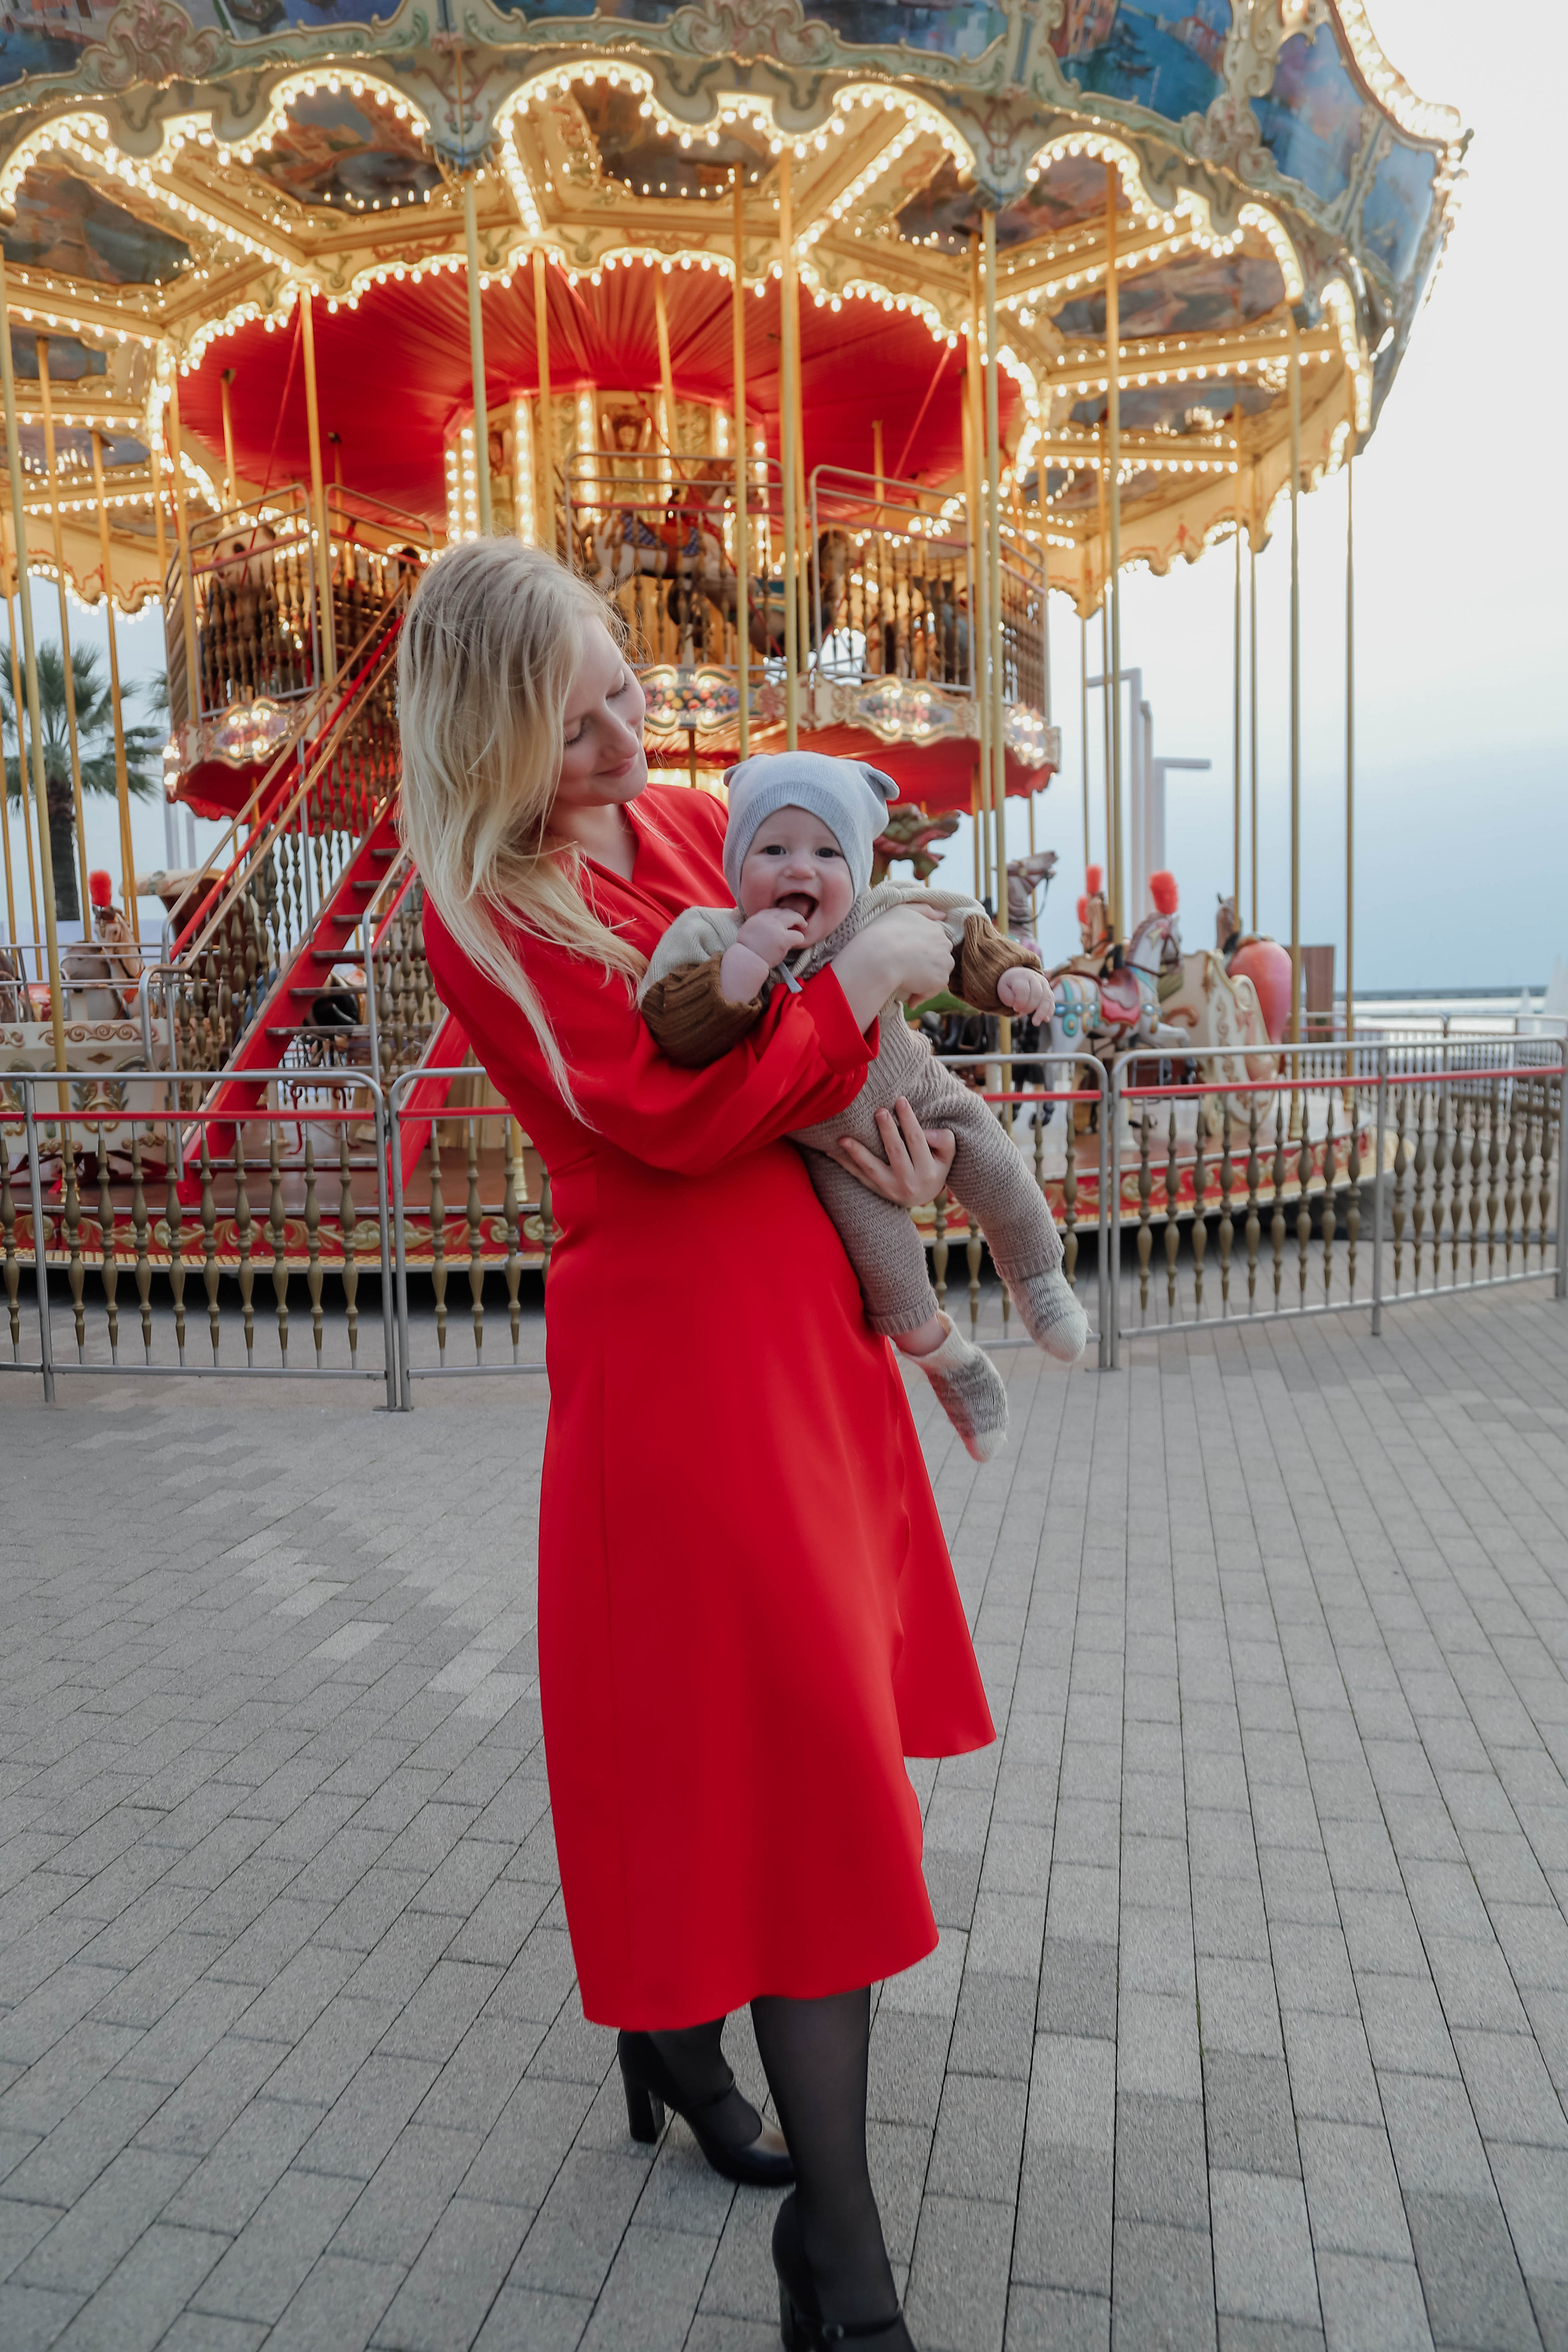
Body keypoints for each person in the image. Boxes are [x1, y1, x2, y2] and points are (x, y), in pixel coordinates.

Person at [402, 540, 996, 2352]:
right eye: (570, 729)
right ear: (487, 741)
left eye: (623, 697)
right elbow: (685, 1108)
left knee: (799, 1753)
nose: (621, 743)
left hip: (799, 1344)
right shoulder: (479, 908)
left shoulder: (670, 822)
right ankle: (847, 2269)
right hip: (680, 1384)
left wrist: (884, 1107)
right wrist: (861, 993)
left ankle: (675, 2032)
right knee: (805, 1776)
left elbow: (803, 1043)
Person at [638, 750, 1088, 1462]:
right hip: (831, 1154)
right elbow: (671, 1023)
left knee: (1000, 1173)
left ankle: (1037, 1277)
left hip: (917, 1091)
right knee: (890, 1280)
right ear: (735, 862)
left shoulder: (875, 912)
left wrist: (1012, 980)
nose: (799, 869)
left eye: (825, 851)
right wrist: (745, 965)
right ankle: (951, 1363)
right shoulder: (713, 935)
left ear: (856, 865)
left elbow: (963, 929)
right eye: (773, 848)